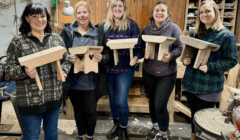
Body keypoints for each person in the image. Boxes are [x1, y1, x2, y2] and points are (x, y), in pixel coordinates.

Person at [4, 3, 71, 140]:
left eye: (42, 16)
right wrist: (24, 70)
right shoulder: (18, 42)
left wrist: (63, 71)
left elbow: (67, 60)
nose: (40, 20)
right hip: (30, 101)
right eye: (35, 16)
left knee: (52, 134)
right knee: (32, 136)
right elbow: (7, 71)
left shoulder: (56, 39)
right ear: (27, 18)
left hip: (53, 97)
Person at [182, 0, 238, 140]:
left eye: (207, 11)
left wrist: (210, 67)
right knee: (194, 118)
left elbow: (231, 61)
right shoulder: (196, 33)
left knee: (203, 122)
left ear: (215, 12)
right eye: (201, 12)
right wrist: (187, 61)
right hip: (191, 84)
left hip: (208, 86)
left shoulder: (226, 36)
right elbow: (191, 55)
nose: (204, 14)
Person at [60, 1, 110, 140]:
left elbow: (108, 54)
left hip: (91, 81)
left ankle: (90, 136)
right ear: (75, 15)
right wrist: (67, 57)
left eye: (84, 12)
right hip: (74, 80)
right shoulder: (67, 33)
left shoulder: (98, 33)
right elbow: (60, 52)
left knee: (90, 111)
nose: (82, 15)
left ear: (89, 14)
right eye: (79, 13)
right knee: (78, 111)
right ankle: (81, 136)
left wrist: (102, 58)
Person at [136, 1, 183, 140]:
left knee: (160, 103)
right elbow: (141, 47)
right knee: (152, 101)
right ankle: (155, 126)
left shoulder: (174, 28)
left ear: (167, 13)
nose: (159, 13)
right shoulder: (146, 29)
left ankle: (163, 132)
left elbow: (180, 48)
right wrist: (146, 53)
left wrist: (171, 55)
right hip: (149, 71)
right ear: (153, 13)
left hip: (167, 73)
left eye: (162, 10)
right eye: (157, 10)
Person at [100, 0, 144, 139]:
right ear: (111, 9)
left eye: (120, 6)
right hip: (109, 68)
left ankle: (123, 129)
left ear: (124, 8)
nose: (117, 9)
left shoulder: (132, 25)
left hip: (126, 68)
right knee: (112, 100)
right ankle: (116, 125)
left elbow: (139, 48)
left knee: (121, 101)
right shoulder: (104, 26)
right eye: (115, 6)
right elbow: (100, 46)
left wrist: (135, 58)